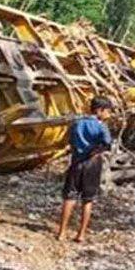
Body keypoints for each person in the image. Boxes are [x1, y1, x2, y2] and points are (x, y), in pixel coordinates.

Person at [56, 96, 114, 243]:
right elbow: (107, 143)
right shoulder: (101, 126)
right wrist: (95, 151)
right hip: (92, 164)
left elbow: (69, 140)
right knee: (87, 200)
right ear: (99, 110)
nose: (109, 115)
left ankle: (62, 232)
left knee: (69, 197)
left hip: (76, 162)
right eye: (107, 111)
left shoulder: (77, 123)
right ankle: (81, 234)